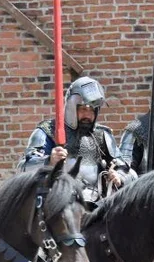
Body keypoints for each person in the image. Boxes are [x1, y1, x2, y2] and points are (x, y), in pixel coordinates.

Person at [19, 76, 132, 204]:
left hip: (97, 203)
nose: (88, 115)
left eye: (92, 110)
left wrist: (119, 177)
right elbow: (24, 168)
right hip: (58, 203)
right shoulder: (47, 131)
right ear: (72, 107)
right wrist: (49, 160)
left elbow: (127, 170)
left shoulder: (102, 134)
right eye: (83, 109)